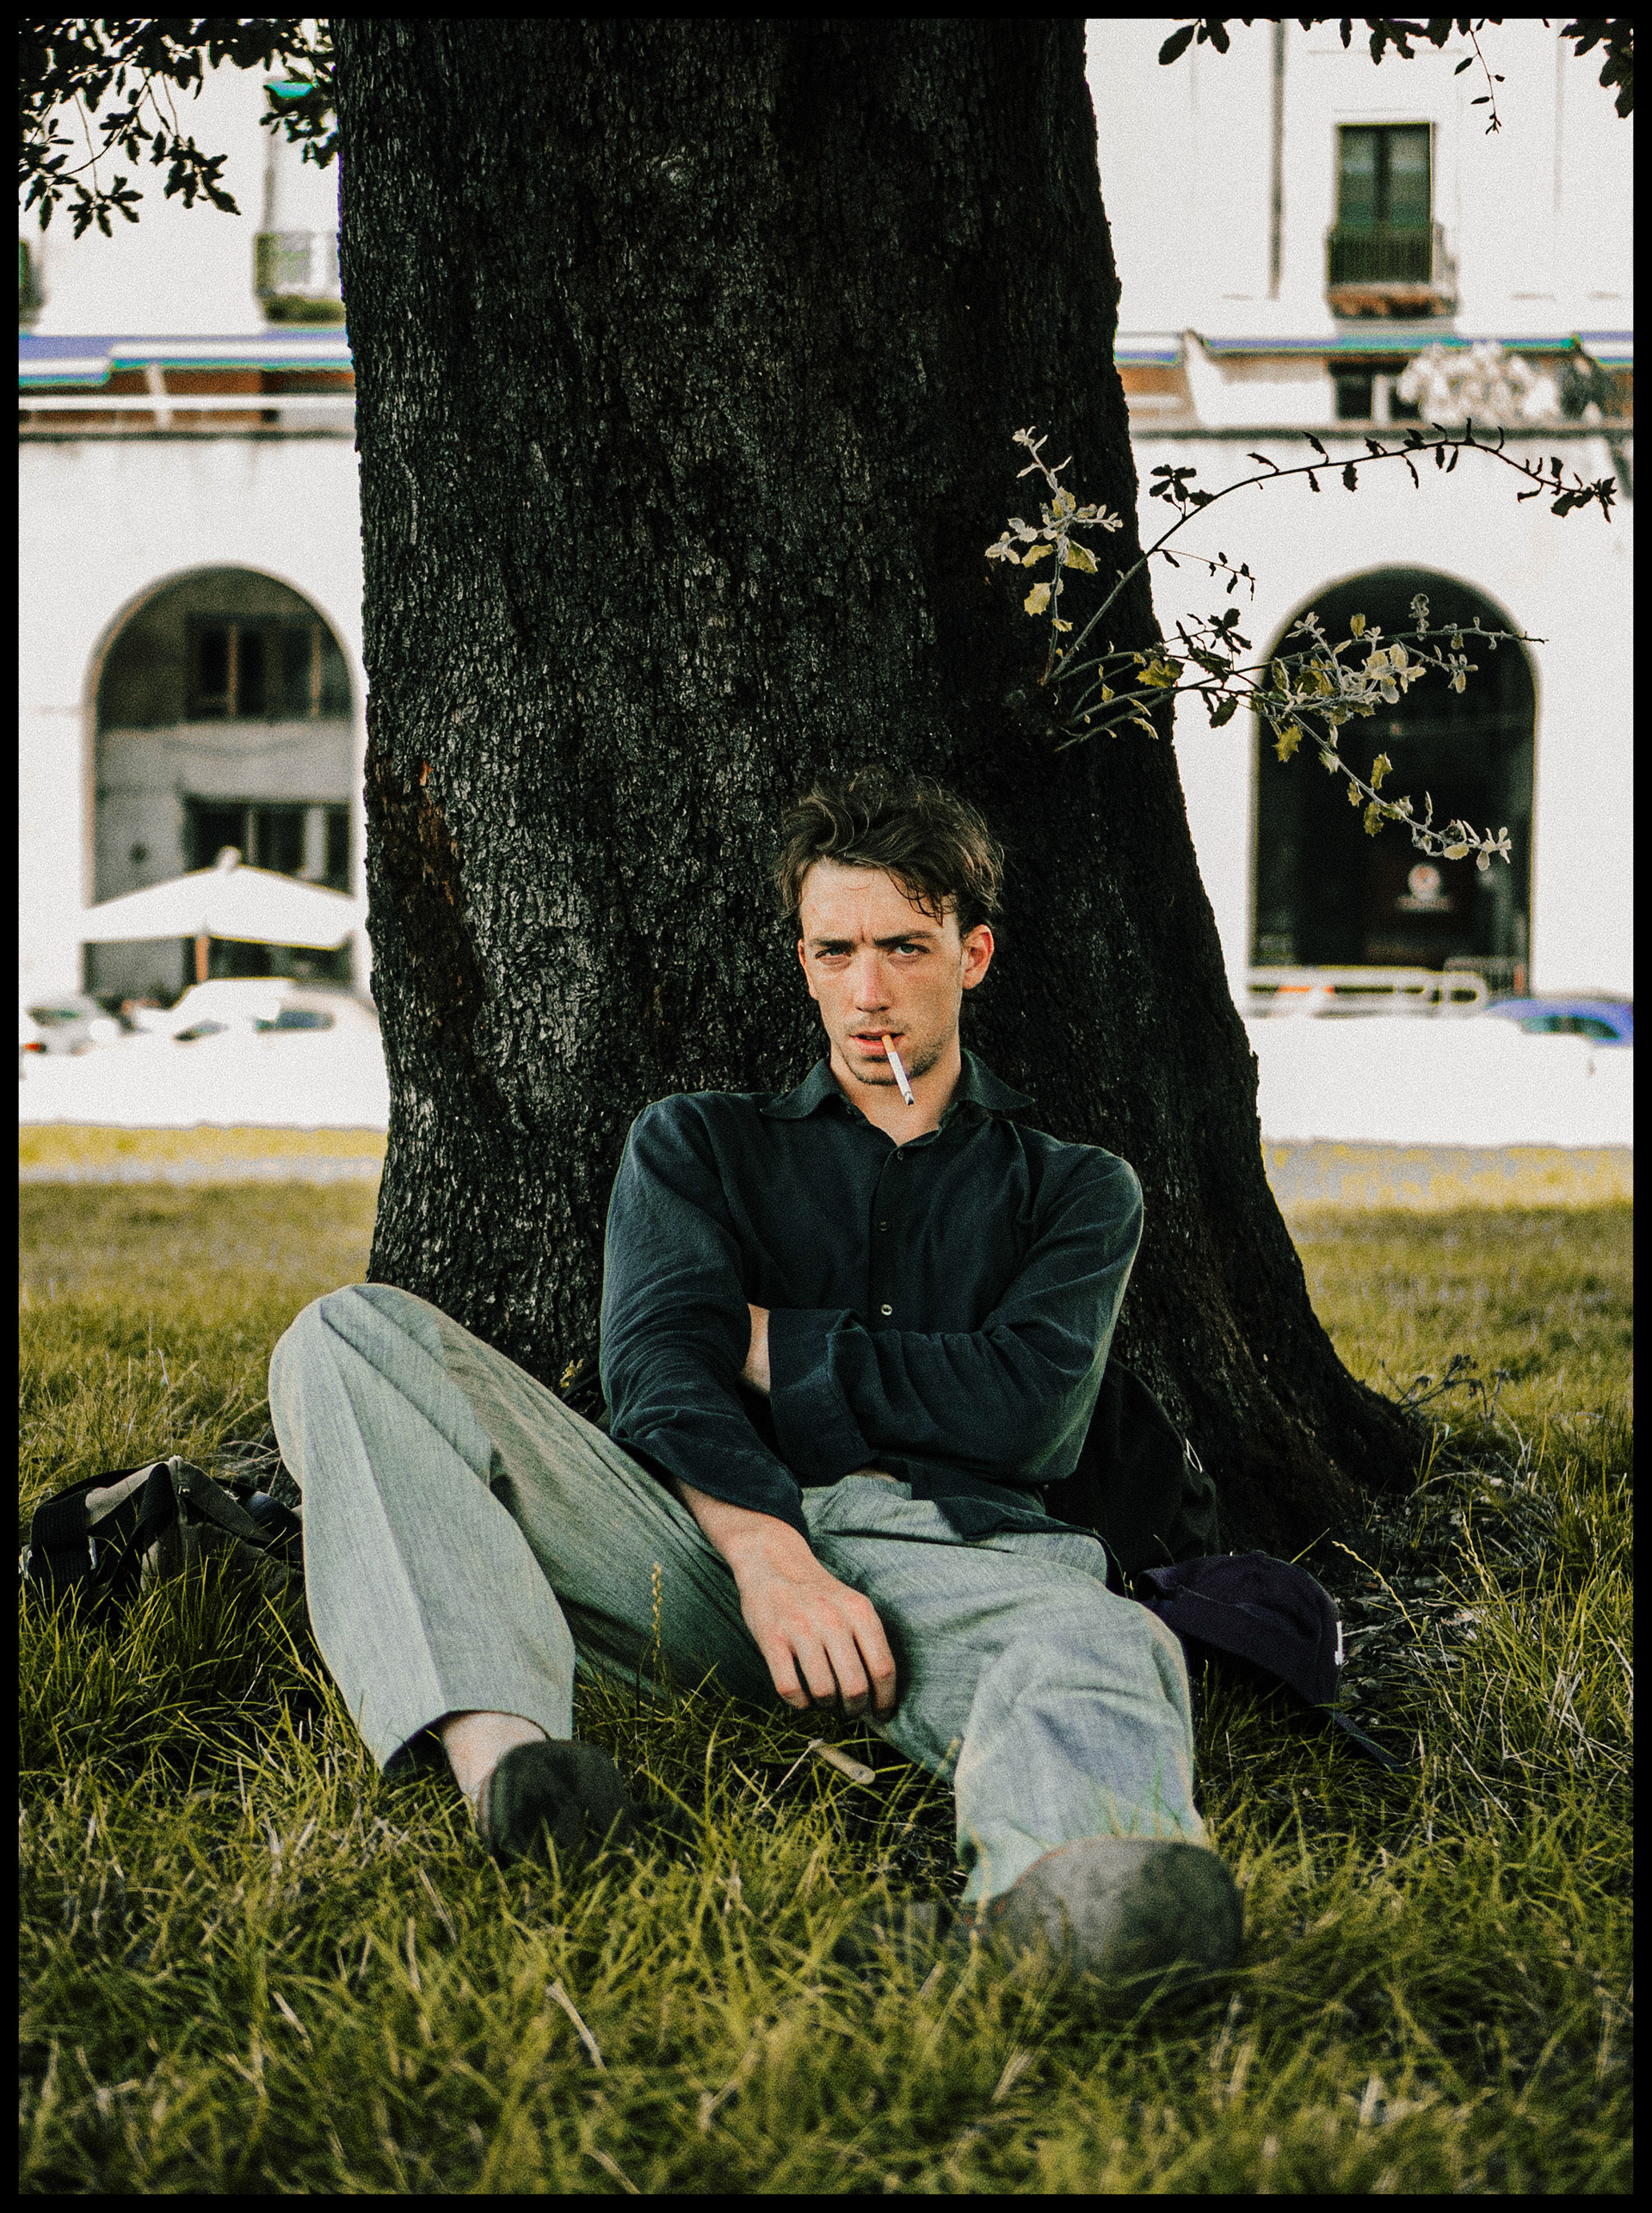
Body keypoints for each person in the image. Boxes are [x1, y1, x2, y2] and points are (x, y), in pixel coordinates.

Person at [268, 769, 1241, 2001]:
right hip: (695, 1554)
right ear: (804, 964)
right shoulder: (699, 1143)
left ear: (974, 954)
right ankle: (519, 1775)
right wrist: (771, 1555)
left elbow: (1027, 1413)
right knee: (349, 1334)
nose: (869, 990)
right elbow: (657, 1373)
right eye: (837, 951)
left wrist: (766, 1337)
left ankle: (1079, 1900)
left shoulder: (1074, 1186)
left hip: (951, 1570)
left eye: (904, 946)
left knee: (1100, 1635)